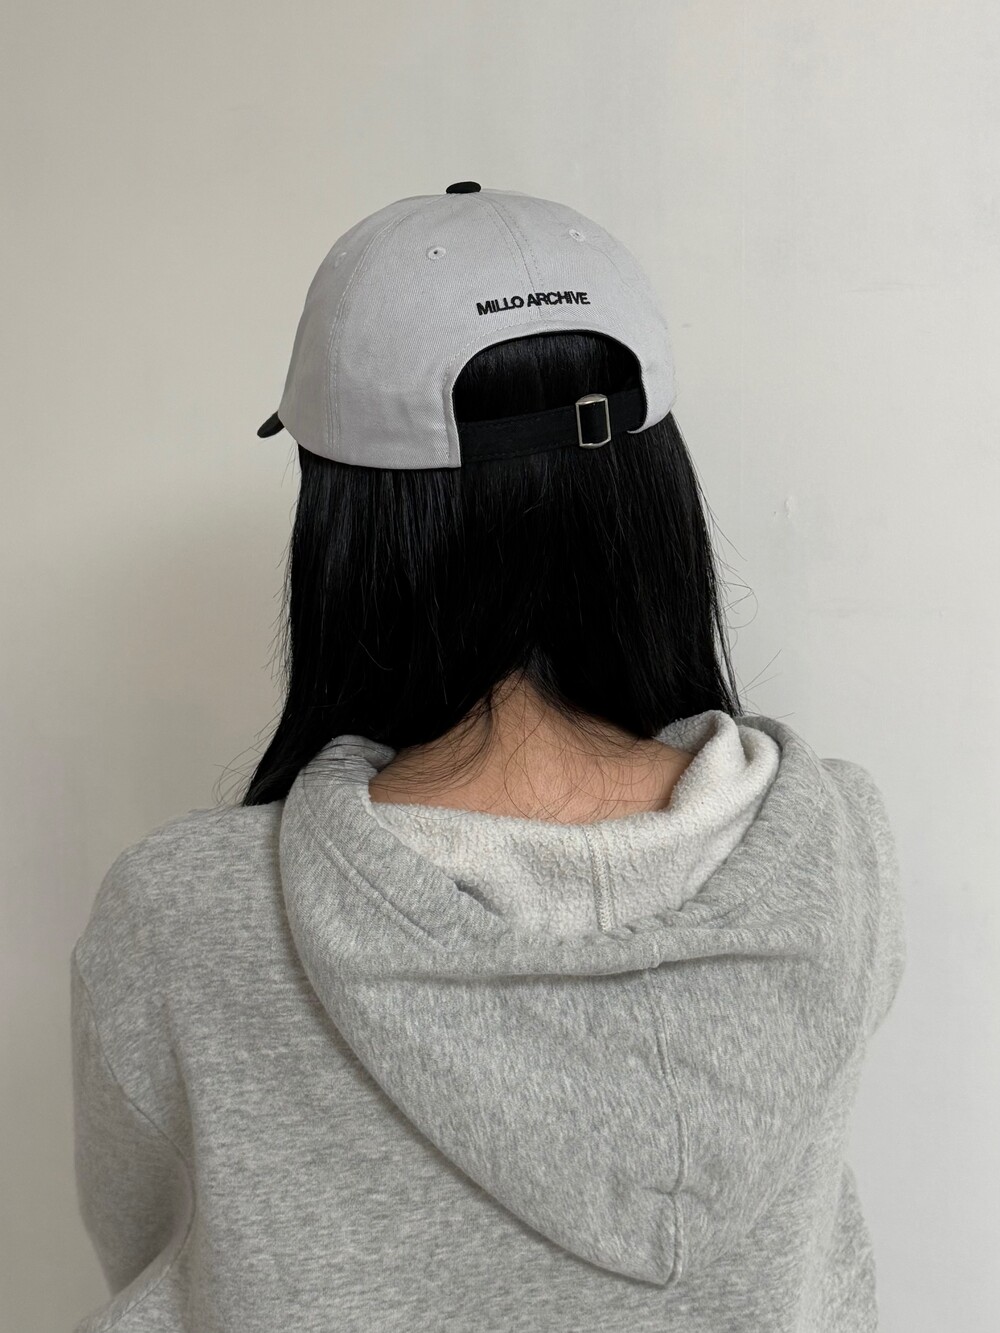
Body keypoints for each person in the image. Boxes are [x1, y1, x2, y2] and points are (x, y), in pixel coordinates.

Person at [70, 184, 906, 1332]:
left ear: (350, 524)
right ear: (652, 489)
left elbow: (146, 1243)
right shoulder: (835, 853)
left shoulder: (186, 921)